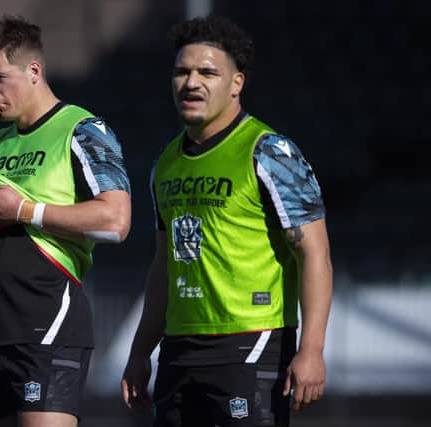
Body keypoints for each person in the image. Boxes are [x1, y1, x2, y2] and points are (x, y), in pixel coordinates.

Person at [0, 15, 131, 427]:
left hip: (49, 325)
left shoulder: (82, 129)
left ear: (34, 70)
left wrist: (24, 210)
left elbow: (116, 220)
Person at [121, 15, 333, 427]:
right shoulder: (165, 163)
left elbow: (316, 253)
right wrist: (139, 351)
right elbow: (163, 266)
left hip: (251, 342)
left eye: (207, 72)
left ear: (237, 83)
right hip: (179, 348)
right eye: (181, 71)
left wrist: (312, 348)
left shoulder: (270, 153)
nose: (191, 82)